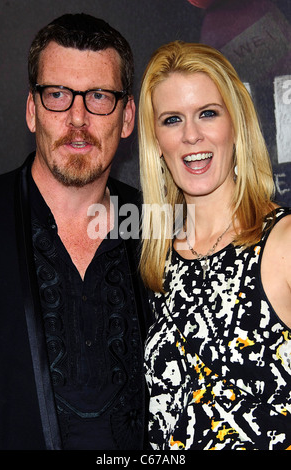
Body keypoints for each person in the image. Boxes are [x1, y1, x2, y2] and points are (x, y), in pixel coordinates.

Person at [0, 13, 153, 450]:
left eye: (99, 96)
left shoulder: (160, 229)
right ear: (31, 110)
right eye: (58, 95)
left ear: (127, 117)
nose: (77, 118)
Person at [138, 40, 291, 450]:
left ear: (236, 123)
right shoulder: (158, 263)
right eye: (171, 120)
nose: (191, 135)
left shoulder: (283, 242)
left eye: (208, 113)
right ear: (156, 141)